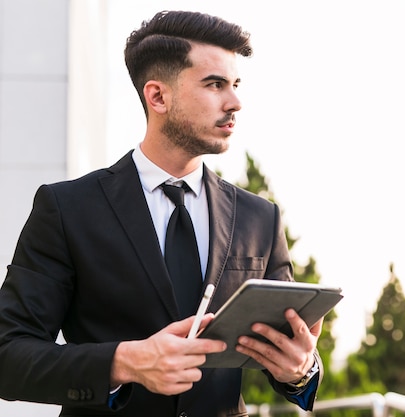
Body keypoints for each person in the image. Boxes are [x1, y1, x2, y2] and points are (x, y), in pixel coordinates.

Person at [0, 10, 323, 417]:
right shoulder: (66, 209)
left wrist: (301, 368)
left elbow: (291, 361)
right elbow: (8, 355)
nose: (236, 102)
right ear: (157, 97)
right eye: (215, 84)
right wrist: (125, 362)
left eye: (236, 84)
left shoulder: (262, 218)